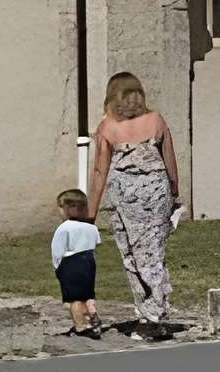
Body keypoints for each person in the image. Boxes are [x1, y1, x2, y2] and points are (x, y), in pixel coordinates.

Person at [84, 69, 180, 330]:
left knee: (133, 254)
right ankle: (152, 309)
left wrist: (90, 214)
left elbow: (99, 171)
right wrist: (174, 192)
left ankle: (152, 314)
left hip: (127, 201)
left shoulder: (108, 127)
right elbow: (169, 160)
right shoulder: (156, 120)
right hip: (156, 196)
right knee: (152, 252)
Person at [48, 187, 102, 338]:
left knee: (73, 299)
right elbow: (95, 244)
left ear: (66, 209)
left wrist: (57, 267)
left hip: (71, 263)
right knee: (86, 294)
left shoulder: (64, 228)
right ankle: (90, 316)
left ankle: (80, 327)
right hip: (88, 262)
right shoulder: (91, 227)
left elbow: (57, 251)